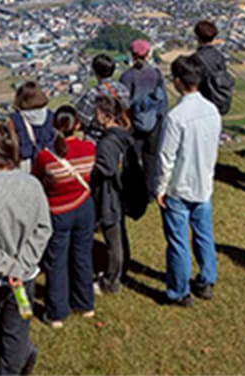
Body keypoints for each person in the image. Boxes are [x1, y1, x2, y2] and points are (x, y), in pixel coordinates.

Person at [0, 125, 53, 375]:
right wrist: (21, 266)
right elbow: (43, 229)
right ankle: (19, 351)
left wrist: (11, 268)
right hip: (25, 277)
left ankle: (13, 361)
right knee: (17, 327)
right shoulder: (33, 185)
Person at [155, 56, 222, 306]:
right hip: (204, 183)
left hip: (179, 187)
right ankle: (206, 280)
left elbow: (166, 157)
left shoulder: (176, 117)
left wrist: (160, 188)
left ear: (178, 82)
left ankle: (179, 291)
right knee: (204, 235)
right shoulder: (212, 110)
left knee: (178, 241)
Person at [32, 106, 96, 327]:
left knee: (56, 261)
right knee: (83, 256)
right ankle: (85, 303)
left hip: (58, 211)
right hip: (84, 206)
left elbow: (37, 180)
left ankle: (57, 312)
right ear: (77, 125)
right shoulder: (89, 148)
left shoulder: (45, 157)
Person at [91, 94, 136, 294]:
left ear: (105, 115)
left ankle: (111, 280)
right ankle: (121, 270)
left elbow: (106, 169)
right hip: (122, 192)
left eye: (97, 113)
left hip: (109, 195)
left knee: (113, 240)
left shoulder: (106, 142)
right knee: (119, 234)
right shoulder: (124, 135)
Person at [120, 39, 168, 195]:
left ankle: (132, 192)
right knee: (152, 157)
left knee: (132, 158)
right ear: (148, 54)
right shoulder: (156, 74)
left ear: (132, 55)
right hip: (154, 120)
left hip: (133, 122)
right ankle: (151, 191)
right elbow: (163, 100)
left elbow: (123, 103)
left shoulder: (127, 76)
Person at [190, 20, 236, 122]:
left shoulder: (195, 58)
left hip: (202, 101)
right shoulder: (219, 56)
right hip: (217, 99)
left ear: (197, 37)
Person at [74, 53, 130, 135]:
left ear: (95, 71)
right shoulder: (123, 89)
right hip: (120, 133)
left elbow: (84, 118)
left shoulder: (93, 94)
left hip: (99, 135)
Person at [6, 81, 55, 171]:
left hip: (26, 162)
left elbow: (12, 142)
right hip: (49, 159)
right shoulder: (50, 115)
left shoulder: (16, 119)